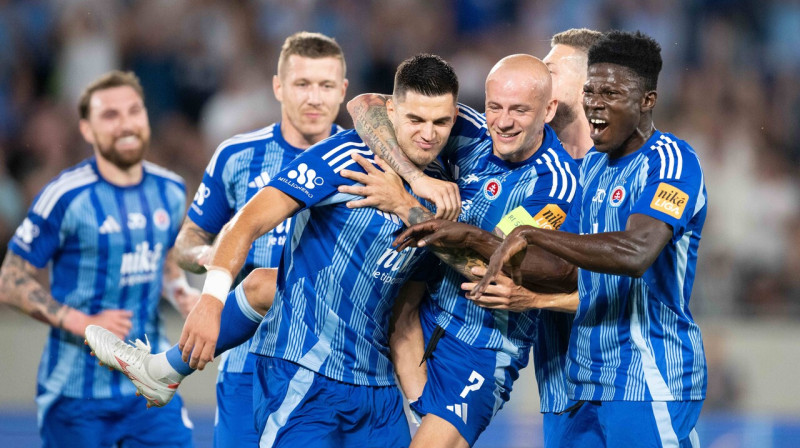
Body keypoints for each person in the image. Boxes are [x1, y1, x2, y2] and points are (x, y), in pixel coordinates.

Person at [86, 54, 466, 448]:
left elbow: (403, 313)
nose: (428, 134)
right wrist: (210, 302)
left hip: (378, 391)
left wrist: (426, 406)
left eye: (440, 122)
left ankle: (162, 370)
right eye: (415, 120)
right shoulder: (345, 157)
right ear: (392, 110)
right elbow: (247, 222)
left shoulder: (443, 192)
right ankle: (163, 368)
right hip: (306, 376)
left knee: (265, 283)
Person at [424, 30, 707, 447]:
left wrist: (529, 235)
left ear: (647, 100)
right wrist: (480, 239)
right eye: (592, 91)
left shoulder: (670, 160)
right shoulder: (589, 169)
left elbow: (636, 252)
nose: (596, 102)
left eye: (611, 92)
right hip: (575, 382)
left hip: (646, 376)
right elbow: (561, 269)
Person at [340, 54, 580, 447]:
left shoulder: (555, 185)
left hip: (482, 350)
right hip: (410, 323)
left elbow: (496, 271)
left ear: (549, 109)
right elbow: (364, 105)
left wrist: (405, 204)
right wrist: (416, 177)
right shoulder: (467, 128)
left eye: (519, 110)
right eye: (494, 107)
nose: (502, 122)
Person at [0, 71, 197, 447]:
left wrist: (181, 292)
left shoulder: (171, 189)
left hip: (149, 386)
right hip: (76, 397)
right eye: (110, 115)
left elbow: (164, 260)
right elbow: (9, 281)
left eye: (134, 111)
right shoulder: (65, 196)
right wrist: (85, 324)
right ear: (87, 130)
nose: (126, 124)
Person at [172, 31, 349, 448]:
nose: (314, 98)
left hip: (336, 363)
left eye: (326, 86)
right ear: (278, 87)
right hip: (246, 360)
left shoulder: (365, 160)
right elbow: (186, 241)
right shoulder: (237, 156)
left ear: (343, 91)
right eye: (302, 84)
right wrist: (210, 256)